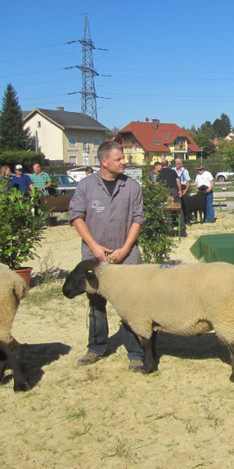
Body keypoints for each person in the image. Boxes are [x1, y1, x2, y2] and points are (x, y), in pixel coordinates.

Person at [68, 140, 146, 372]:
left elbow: (138, 219)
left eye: (123, 158)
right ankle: (97, 346)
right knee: (96, 303)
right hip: (95, 256)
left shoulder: (132, 187)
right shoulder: (86, 186)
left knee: (130, 305)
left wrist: (125, 248)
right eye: (119, 159)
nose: (124, 162)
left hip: (127, 256)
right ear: (104, 162)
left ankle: (135, 352)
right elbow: (76, 217)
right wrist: (93, 246)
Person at [157, 160, 186, 237]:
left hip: (166, 192)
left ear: (162, 166)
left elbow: (158, 183)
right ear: (168, 165)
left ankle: (169, 227)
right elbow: (178, 180)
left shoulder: (161, 173)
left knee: (168, 209)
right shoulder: (173, 171)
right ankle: (182, 227)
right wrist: (180, 190)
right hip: (174, 191)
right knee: (179, 207)